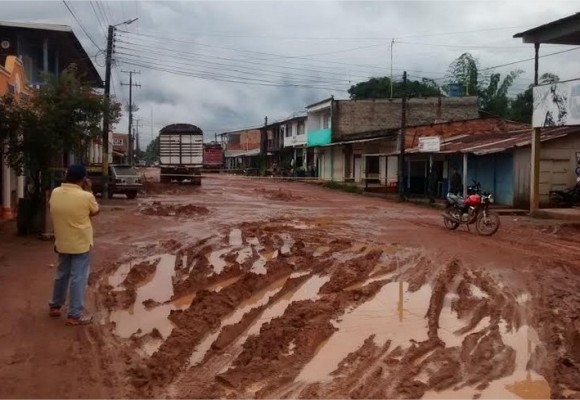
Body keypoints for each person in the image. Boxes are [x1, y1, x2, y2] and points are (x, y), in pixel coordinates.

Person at [48, 164, 99, 326]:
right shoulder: (86, 196)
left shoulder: (55, 193)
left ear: (66, 176)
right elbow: (95, 210)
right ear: (83, 179)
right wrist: (89, 189)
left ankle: (55, 306)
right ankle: (74, 314)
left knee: (62, 273)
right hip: (81, 243)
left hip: (62, 241)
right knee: (78, 278)